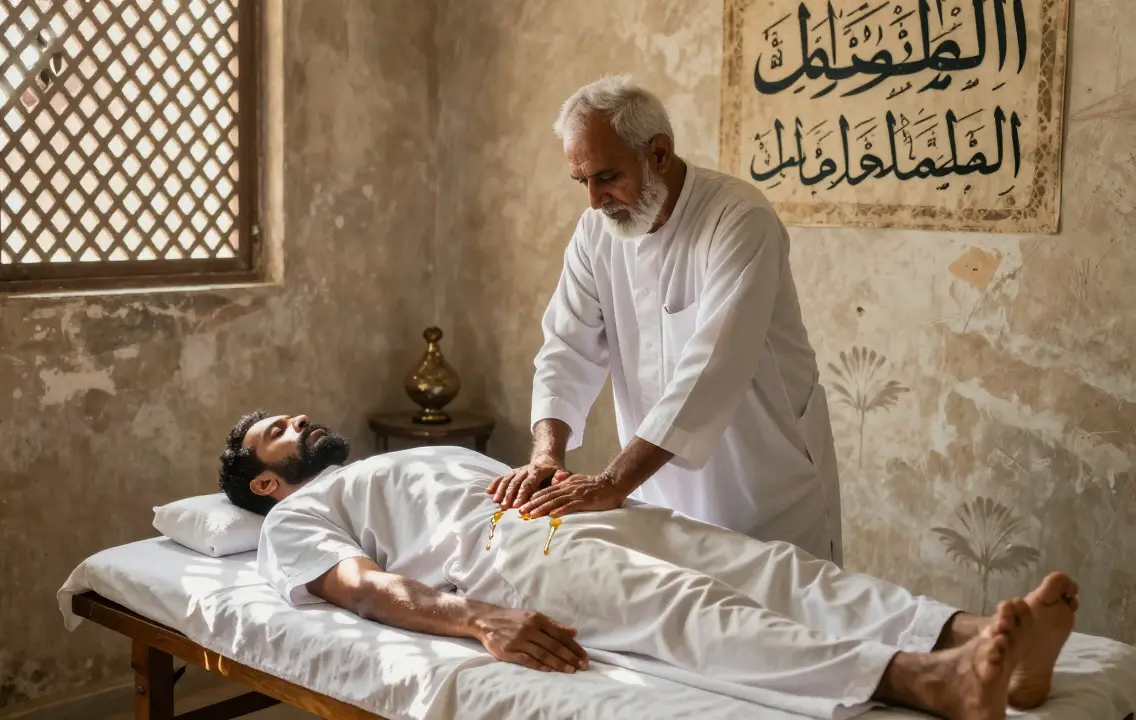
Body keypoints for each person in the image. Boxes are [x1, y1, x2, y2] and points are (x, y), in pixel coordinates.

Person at [218, 411, 1078, 720]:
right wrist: (480, 618)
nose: (299, 422)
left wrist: (558, 477)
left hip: (573, 509)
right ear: (264, 480)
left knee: (774, 568)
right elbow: (362, 588)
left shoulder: (392, 459)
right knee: (691, 606)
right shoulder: (293, 518)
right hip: (508, 556)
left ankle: (971, 636)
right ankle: (925, 681)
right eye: (277, 433)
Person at [489, 74, 843, 563]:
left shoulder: (739, 219)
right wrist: (547, 455)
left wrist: (612, 482)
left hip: (764, 494)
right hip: (656, 492)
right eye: (582, 182)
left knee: (783, 606)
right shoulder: (596, 232)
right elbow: (566, 349)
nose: (594, 199)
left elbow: (711, 371)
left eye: (607, 176)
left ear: (658, 153)